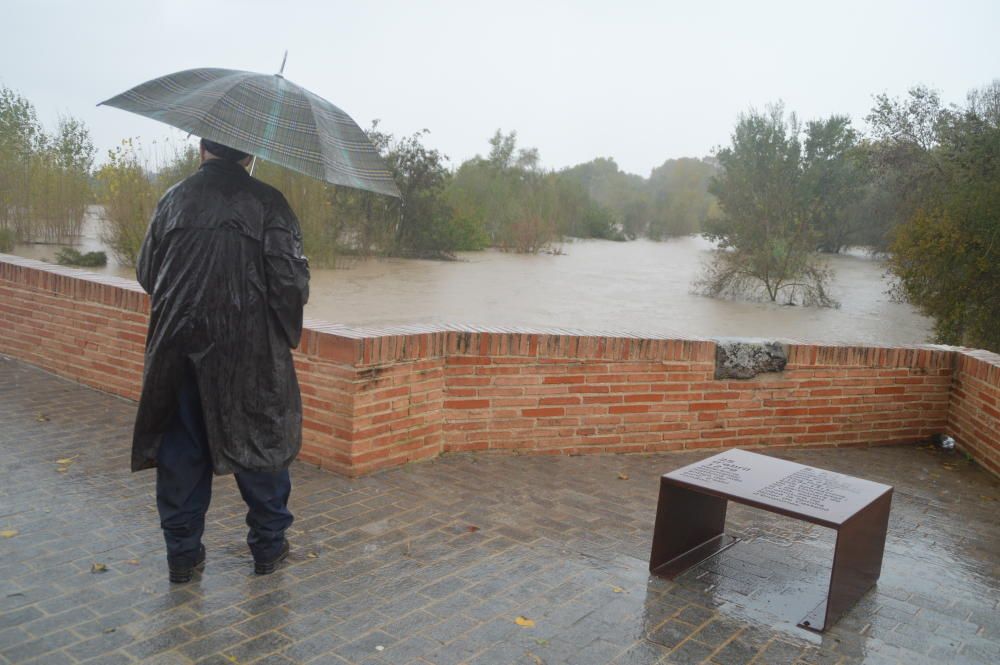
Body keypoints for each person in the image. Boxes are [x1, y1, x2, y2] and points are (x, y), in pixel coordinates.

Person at [132, 138, 310, 583]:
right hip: (249, 355)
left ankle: (182, 557)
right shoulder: (270, 203)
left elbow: (147, 274)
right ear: (249, 155)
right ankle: (268, 551)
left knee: (182, 455)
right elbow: (290, 284)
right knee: (262, 447)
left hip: (178, 351)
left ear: (201, 148)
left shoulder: (172, 199)